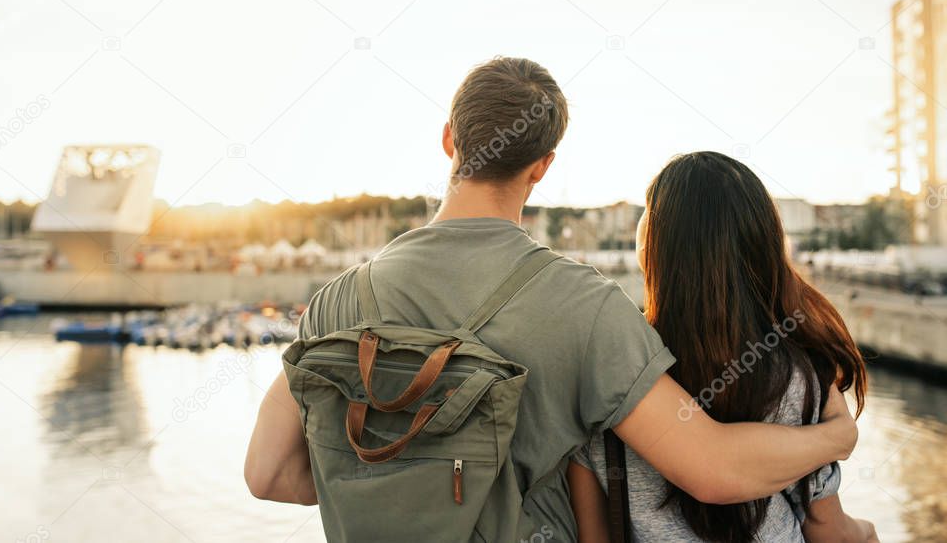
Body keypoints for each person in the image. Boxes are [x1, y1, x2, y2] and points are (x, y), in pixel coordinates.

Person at [244, 57, 859, 542]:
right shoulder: (585, 309)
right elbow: (714, 469)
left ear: (449, 139)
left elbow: (267, 473)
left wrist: (408, 497)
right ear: (543, 167)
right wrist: (834, 441)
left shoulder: (338, 301)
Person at [569, 152, 877, 542]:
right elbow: (828, 531)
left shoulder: (608, 377)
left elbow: (594, 534)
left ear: (655, 248)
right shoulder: (794, 377)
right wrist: (867, 532)